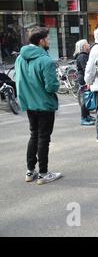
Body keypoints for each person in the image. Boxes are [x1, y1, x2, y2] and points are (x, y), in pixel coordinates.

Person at [15, 27, 62, 185]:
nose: (48, 41)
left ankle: (30, 171)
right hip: (44, 104)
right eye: (47, 39)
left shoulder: (20, 58)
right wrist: (55, 85)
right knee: (43, 138)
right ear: (41, 41)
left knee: (34, 135)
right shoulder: (46, 60)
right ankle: (43, 173)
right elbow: (51, 87)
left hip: (29, 103)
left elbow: (18, 80)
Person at [73, 39, 95, 126]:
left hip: (83, 78)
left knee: (87, 97)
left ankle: (87, 115)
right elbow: (86, 69)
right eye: (87, 44)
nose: (89, 45)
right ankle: (83, 118)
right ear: (83, 47)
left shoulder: (83, 55)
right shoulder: (82, 56)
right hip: (83, 79)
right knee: (85, 98)